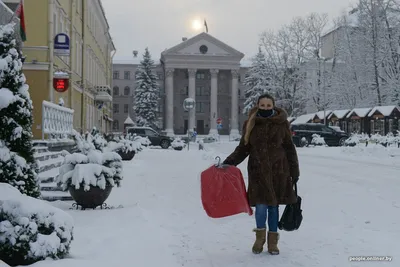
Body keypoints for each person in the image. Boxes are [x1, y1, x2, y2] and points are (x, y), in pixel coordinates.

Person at [221, 93, 299, 255]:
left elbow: (289, 148)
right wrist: (229, 162)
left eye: (268, 106)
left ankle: (272, 242)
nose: (265, 108)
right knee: (262, 207)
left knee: (273, 207)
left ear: (273, 106)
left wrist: (294, 170)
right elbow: (243, 148)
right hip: (258, 172)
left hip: (279, 171)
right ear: (258, 106)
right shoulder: (251, 123)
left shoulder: (281, 124)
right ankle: (259, 238)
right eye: (262, 105)